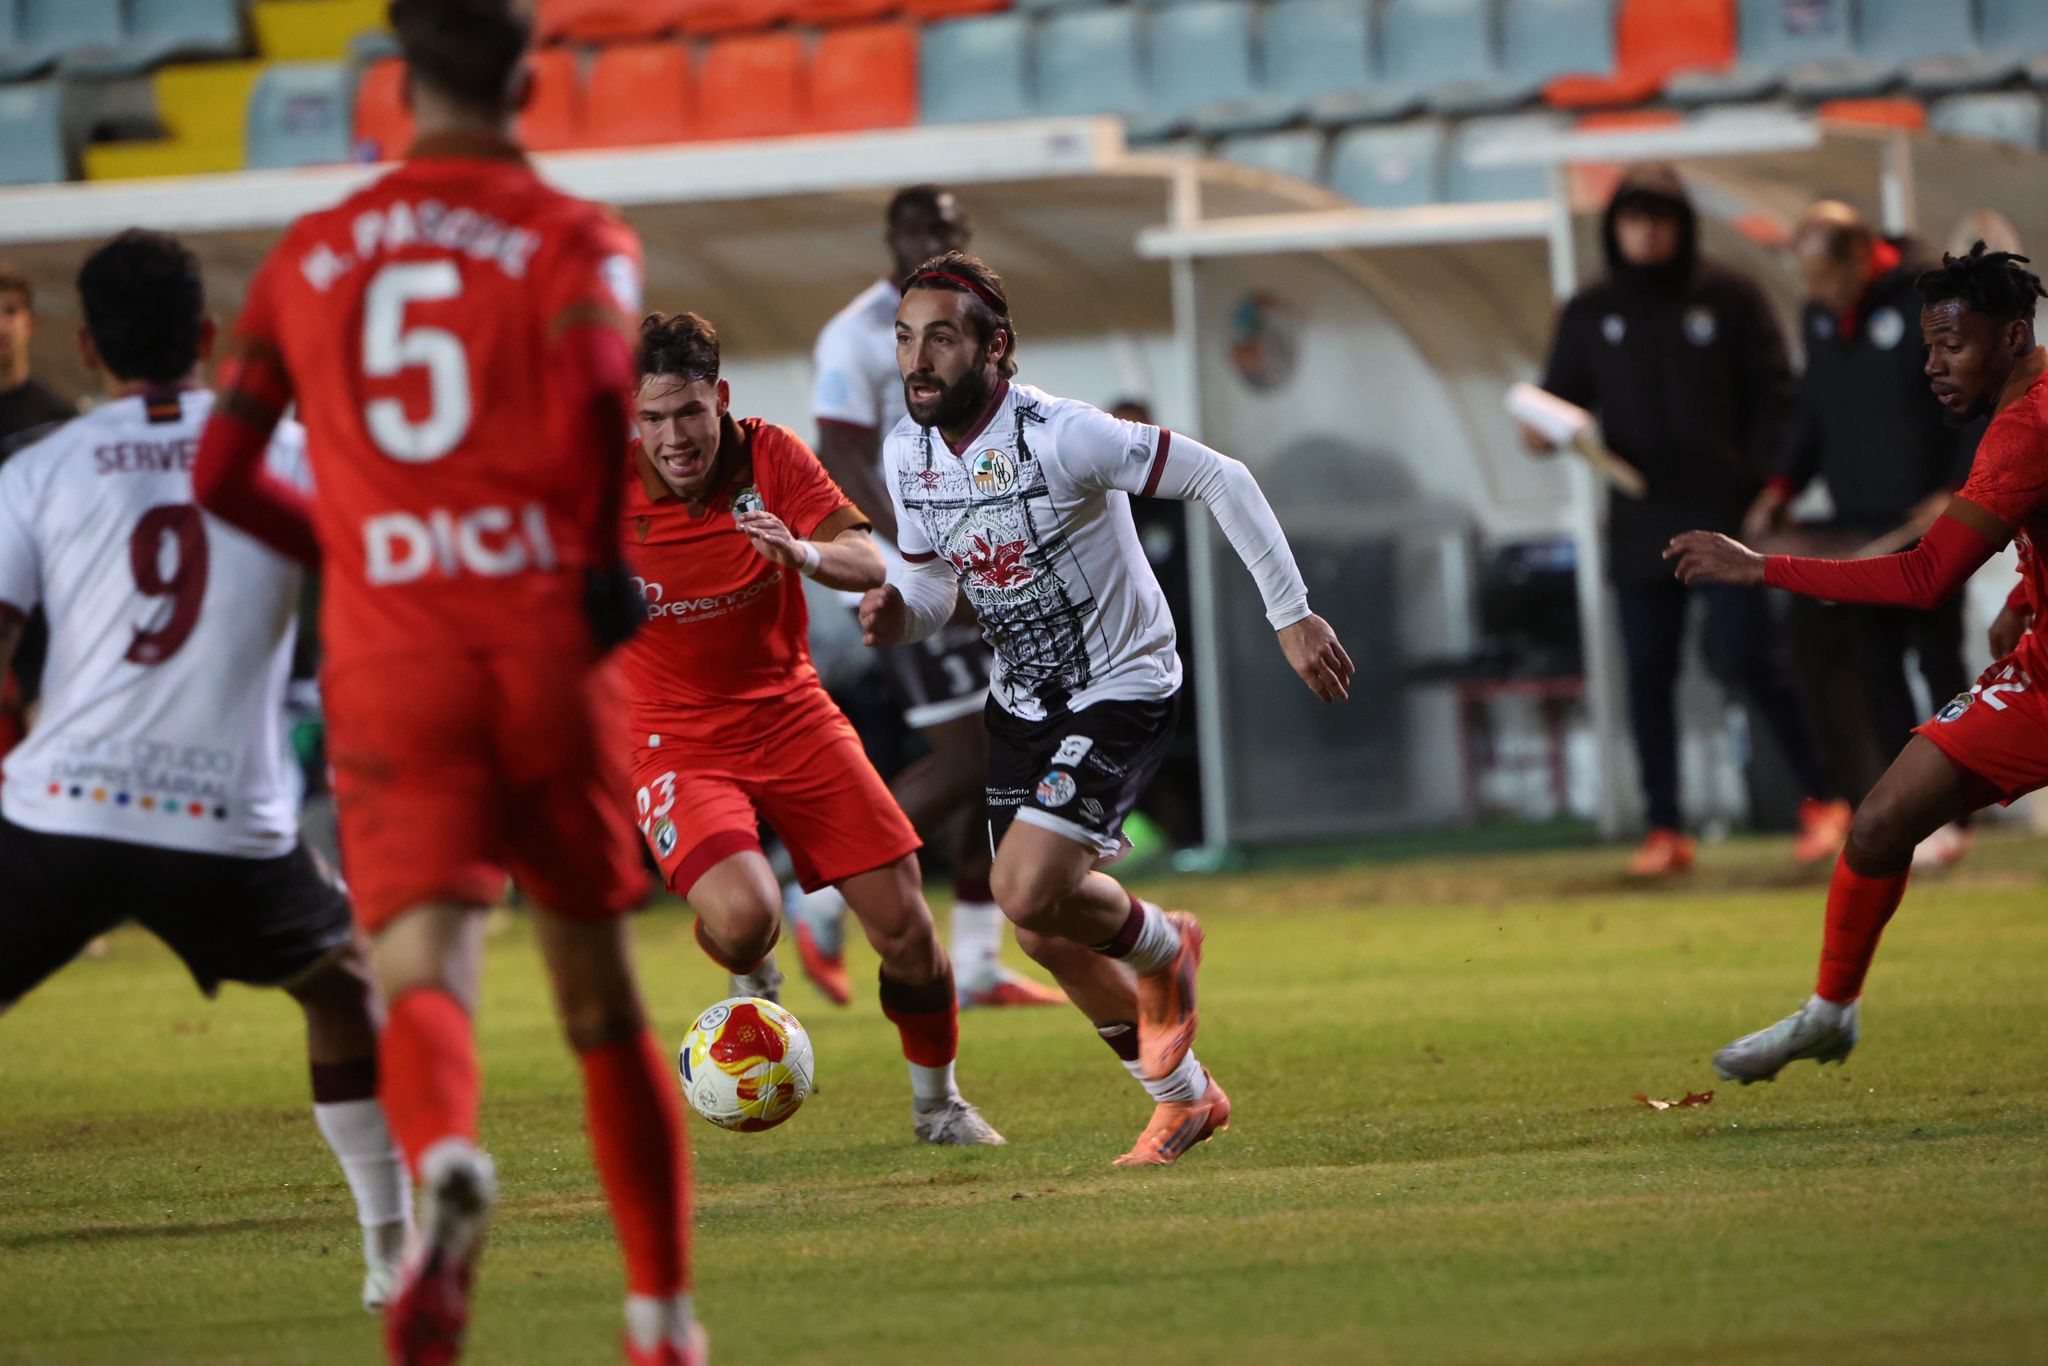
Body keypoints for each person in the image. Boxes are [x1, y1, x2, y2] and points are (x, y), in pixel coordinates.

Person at [190, 2, 700, 1362]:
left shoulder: (308, 253)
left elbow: (221, 473)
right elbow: (598, 389)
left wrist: (352, 549)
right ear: (527, 74)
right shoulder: (575, 234)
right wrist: (590, 552)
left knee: (417, 968)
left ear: (397, 77)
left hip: (393, 649)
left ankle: (449, 1163)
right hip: (540, 637)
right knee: (599, 1001)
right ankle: (660, 1318)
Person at [859, 252, 1354, 1165]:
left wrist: (1291, 615)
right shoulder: (907, 453)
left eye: (941, 338)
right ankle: (1185, 1099)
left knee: (1021, 890)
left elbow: (1222, 477)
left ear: (995, 347)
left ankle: (1164, 946)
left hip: (1122, 682)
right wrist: (900, 615)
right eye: (904, 338)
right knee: (1043, 932)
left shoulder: (1066, 435)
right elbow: (930, 586)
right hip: (1021, 703)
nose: (917, 360)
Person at [0, 230, 410, 1313]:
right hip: (220, 820)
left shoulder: (38, 467)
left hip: (61, 809)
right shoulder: (298, 454)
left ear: (88, 348)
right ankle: (391, 1250)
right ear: (209, 337)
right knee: (345, 989)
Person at [1667, 242, 2048, 1083]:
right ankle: (1831, 1012)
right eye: (1928, 346)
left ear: (2015, 337)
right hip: (2040, 678)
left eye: (1953, 346)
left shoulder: (2025, 429)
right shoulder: (2026, 410)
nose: (1932, 366)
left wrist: (1763, 567)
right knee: (1878, 822)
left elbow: (1924, 576)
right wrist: (2026, 595)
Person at [619, 310, 1002, 1146]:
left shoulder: (770, 455)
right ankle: (751, 964)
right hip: (673, 740)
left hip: (793, 715)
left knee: (906, 927)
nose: (675, 437)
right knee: (746, 918)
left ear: (720, 398)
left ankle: (938, 1106)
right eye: (654, 417)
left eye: (690, 412)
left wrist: (802, 554)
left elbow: (867, 558)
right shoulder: (594, 488)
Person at [1525, 165, 1849, 875]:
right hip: (1639, 519)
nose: (1647, 231)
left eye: (1660, 217)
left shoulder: (1729, 295)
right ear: (1614, 227)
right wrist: (1541, 430)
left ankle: (1823, 801)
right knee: (1648, 672)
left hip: (1723, 517)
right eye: (1633, 218)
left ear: (1682, 224)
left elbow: (1777, 397)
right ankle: (1664, 827)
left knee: (1749, 656)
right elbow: (1559, 402)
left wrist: (1767, 485)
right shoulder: (1590, 308)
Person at [802, 185, 1062, 1010]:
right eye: (916, 229)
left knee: (1001, 752)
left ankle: (979, 962)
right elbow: (841, 453)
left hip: (975, 560)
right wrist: (928, 538)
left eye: (944, 228)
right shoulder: (854, 335)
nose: (929, 240)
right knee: (969, 758)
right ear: (890, 238)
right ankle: (820, 895)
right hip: (903, 570)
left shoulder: (972, 320)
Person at [1745, 202, 1978, 865]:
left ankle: (1960, 805)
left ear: (1859, 256)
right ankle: (1913, 810)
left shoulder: (1934, 301)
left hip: (1930, 521)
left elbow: (1976, 397)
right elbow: (1814, 410)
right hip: (1859, 532)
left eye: (1823, 277)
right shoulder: (1819, 316)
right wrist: (1782, 485)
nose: (1815, 293)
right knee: (1875, 663)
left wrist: (1958, 489)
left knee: (1938, 659)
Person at [0, 263, 77, 779]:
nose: (1, 325)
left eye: (10, 312)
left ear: (30, 322)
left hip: (41, 654)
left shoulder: (59, 423)